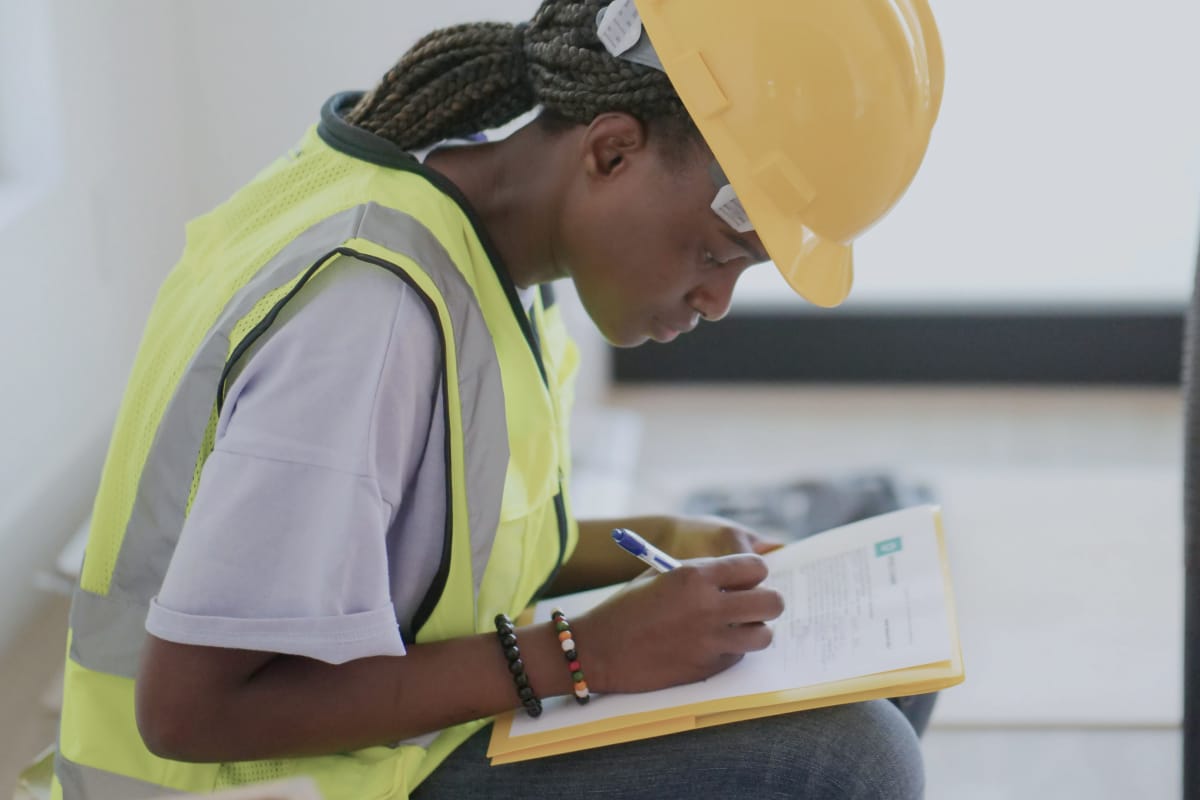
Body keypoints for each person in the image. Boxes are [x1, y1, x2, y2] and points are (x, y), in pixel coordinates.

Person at [47, 1, 944, 798]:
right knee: (854, 761)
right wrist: (584, 654)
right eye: (716, 254)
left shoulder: (483, 247)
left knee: (884, 675)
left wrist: (668, 540)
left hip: (379, 744)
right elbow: (189, 712)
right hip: (269, 783)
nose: (716, 301)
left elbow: (445, 558)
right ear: (611, 151)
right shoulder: (367, 317)